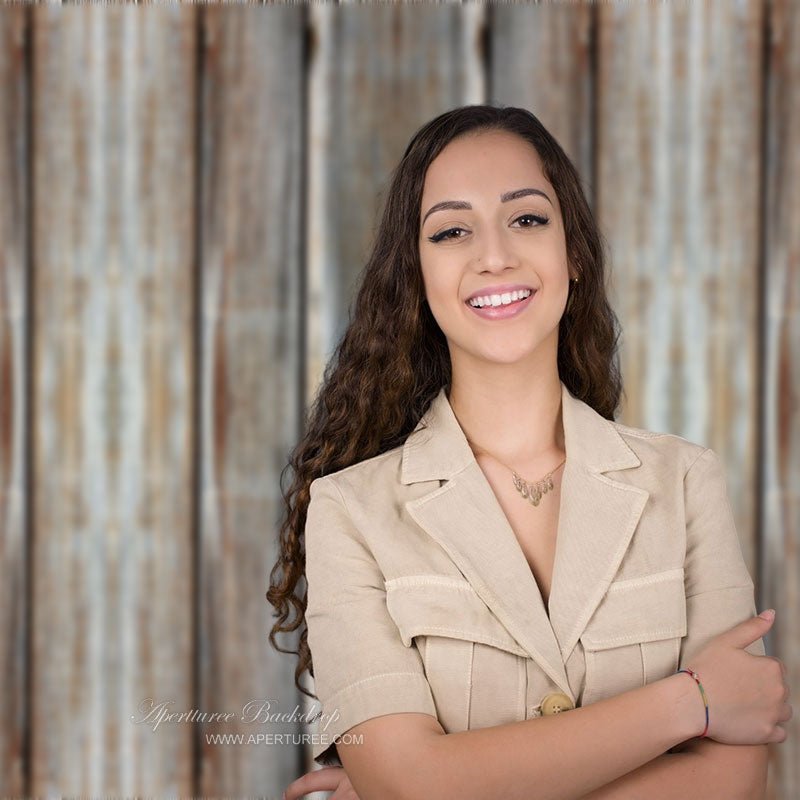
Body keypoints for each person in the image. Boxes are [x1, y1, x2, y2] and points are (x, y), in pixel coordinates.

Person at [268, 104, 792, 800]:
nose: (495, 256)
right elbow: (408, 783)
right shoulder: (348, 511)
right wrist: (690, 701)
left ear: (573, 254)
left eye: (526, 219)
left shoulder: (686, 481)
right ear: (416, 277)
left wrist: (441, 783)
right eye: (452, 231)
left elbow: (734, 781)